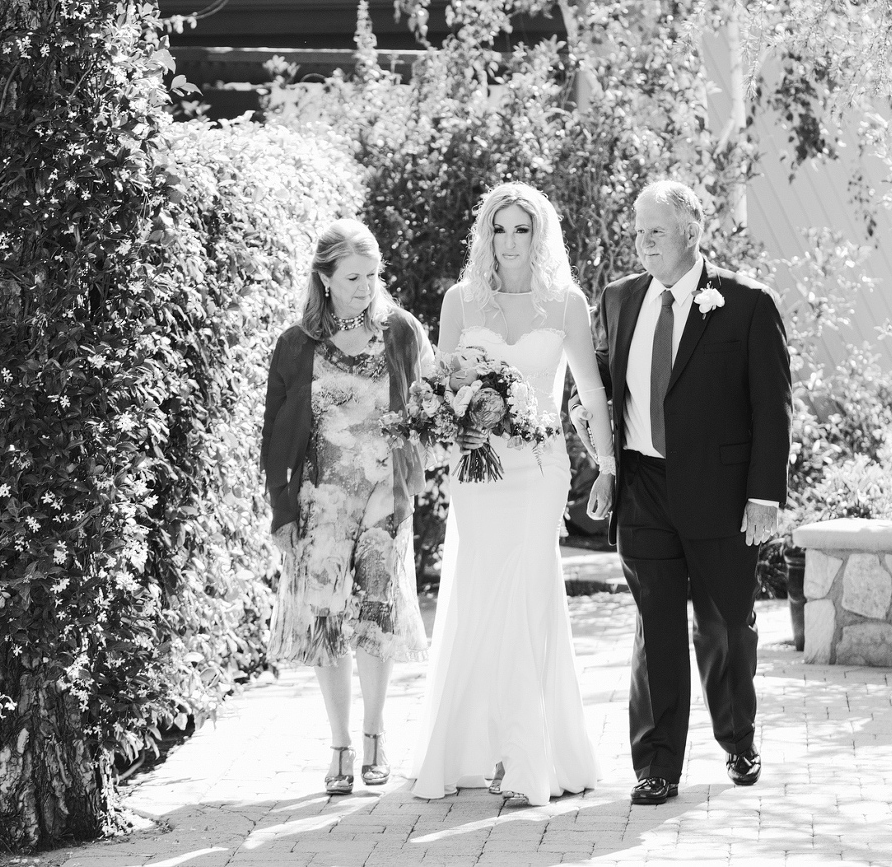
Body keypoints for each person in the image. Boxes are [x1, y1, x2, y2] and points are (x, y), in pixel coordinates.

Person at [572, 180, 792, 805]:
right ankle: (657, 765)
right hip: (643, 488)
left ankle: (737, 738)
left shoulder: (746, 303)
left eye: (656, 231)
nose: (642, 242)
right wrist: (606, 469)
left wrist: (764, 495)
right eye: (637, 230)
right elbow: (606, 397)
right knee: (655, 628)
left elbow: (772, 409)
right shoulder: (618, 299)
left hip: (723, 496)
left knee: (725, 627)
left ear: (691, 231)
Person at [410, 182, 615, 806]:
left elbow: (590, 390)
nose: (510, 242)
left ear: (540, 235)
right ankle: (482, 747)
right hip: (480, 471)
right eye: (500, 229)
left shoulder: (566, 303)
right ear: (486, 236)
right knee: (480, 592)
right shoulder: (461, 301)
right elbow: (439, 391)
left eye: (521, 229)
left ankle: (527, 760)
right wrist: (460, 424)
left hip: (542, 467)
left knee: (527, 592)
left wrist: (606, 465)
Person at [261, 218, 433, 796]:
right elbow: (274, 436)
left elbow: (431, 402)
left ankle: (375, 735)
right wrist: (282, 510)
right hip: (319, 507)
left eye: (372, 275)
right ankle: (337, 744)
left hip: (384, 506)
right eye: (354, 277)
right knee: (326, 626)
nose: (366, 287)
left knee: (375, 622)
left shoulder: (401, 332)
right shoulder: (296, 344)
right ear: (325, 278)